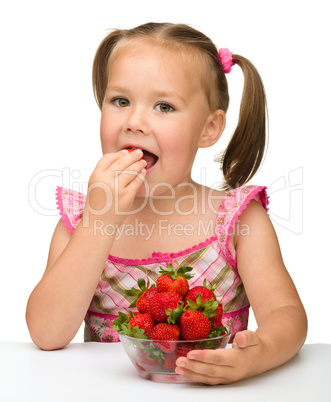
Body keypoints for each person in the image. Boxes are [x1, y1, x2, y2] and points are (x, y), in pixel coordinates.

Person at [26, 22, 307, 384]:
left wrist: (258, 356)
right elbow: (46, 334)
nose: (134, 121)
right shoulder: (81, 220)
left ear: (208, 128)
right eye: (120, 101)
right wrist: (101, 218)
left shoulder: (237, 220)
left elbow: (287, 315)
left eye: (164, 106)